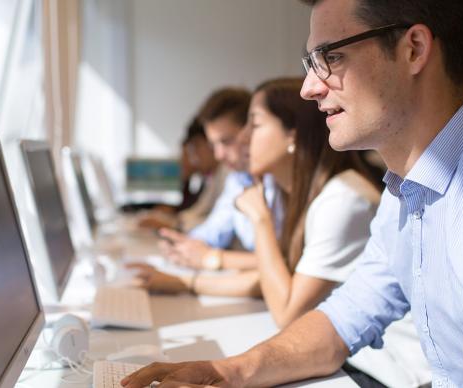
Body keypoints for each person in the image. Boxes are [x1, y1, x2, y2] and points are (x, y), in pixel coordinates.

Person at [122, 0, 463, 387]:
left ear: (413, 49)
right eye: (311, 63)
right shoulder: (403, 192)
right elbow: (346, 317)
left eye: (331, 57)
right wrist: (228, 371)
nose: (309, 87)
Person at [131, 78, 430, 387]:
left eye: (254, 125)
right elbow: (279, 278)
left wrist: (258, 221)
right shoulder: (296, 195)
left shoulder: (343, 199)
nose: (243, 139)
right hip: (353, 358)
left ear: (292, 135)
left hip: (390, 372)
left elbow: (287, 310)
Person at [155, 88, 284, 272]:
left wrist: (212, 258)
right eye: (213, 144)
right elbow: (215, 229)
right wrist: (183, 245)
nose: (218, 155)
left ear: (250, 131)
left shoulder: (280, 180)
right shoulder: (238, 179)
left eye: (227, 141)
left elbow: (286, 261)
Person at [138, 117, 226, 231]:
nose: (193, 157)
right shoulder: (212, 177)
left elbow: (211, 220)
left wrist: (173, 224)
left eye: (195, 147)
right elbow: (196, 212)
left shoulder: (224, 174)